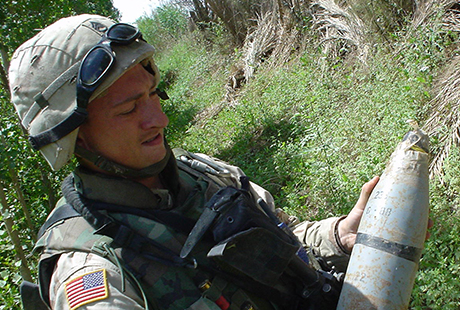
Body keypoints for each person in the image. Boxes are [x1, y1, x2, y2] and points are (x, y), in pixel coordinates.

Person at [9, 14, 380, 310]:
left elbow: (286, 240)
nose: (159, 120)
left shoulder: (203, 173)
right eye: (128, 109)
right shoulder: (89, 266)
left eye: (153, 95)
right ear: (74, 137)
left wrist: (340, 235)